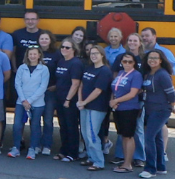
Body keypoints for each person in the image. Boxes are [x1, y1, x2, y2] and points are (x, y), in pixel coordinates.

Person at [140, 49, 175, 179]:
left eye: (155, 58)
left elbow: (172, 94)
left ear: (161, 60)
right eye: (150, 58)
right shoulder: (149, 73)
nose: (152, 60)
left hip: (161, 110)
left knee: (149, 137)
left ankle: (150, 169)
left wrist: (172, 105)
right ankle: (161, 167)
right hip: (150, 109)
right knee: (157, 138)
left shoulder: (162, 75)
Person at [78, 46, 115, 170]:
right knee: (84, 133)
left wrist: (84, 102)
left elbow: (98, 90)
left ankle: (99, 162)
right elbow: (81, 85)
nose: (93, 56)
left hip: (97, 107)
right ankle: (91, 157)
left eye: (96, 54)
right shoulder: (89, 68)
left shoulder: (105, 71)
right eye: (92, 54)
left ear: (102, 55)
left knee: (92, 134)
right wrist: (80, 100)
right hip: (84, 105)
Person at [107, 52, 144, 174]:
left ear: (134, 63)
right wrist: (113, 100)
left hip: (129, 109)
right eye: (124, 61)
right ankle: (124, 162)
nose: (127, 64)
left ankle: (128, 164)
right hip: (119, 108)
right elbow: (115, 89)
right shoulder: (121, 73)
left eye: (130, 61)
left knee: (129, 136)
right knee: (123, 135)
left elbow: (133, 93)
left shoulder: (136, 75)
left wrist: (116, 100)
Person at [11, 45, 49, 159]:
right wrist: (24, 100)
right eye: (30, 54)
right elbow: (17, 84)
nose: (32, 56)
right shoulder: (22, 68)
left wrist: (30, 101)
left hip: (37, 103)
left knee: (35, 126)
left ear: (39, 55)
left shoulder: (44, 69)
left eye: (35, 54)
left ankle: (32, 148)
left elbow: (43, 87)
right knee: (17, 125)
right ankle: (16, 148)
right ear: (27, 55)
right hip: (21, 102)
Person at [52, 36, 85, 164]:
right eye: (63, 47)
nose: (64, 49)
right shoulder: (61, 61)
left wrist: (67, 99)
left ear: (73, 49)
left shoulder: (76, 63)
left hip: (69, 100)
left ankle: (73, 153)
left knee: (71, 127)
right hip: (59, 98)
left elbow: (75, 84)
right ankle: (63, 150)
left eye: (67, 47)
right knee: (62, 126)